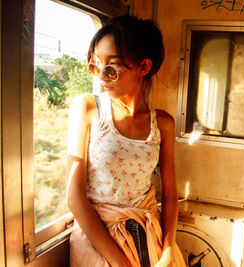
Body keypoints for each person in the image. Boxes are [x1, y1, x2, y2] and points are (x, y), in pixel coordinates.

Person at [66, 15, 185, 267]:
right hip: (97, 238)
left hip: (147, 232)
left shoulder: (162, 124)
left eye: (113, 66)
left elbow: (171, 194)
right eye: (97, 65)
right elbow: (74, 196)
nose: (102, 76)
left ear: (143, 67)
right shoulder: (88, 108)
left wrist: (168, 250)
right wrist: (120, 262)